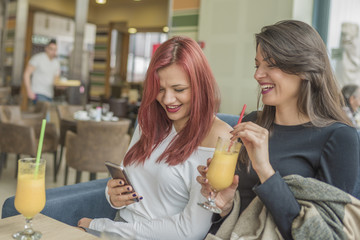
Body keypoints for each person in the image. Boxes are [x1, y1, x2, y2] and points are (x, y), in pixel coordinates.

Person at [197, 20, 360, 240]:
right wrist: (223, 207)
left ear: (304, 69)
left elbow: (326, 234)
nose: (257, 75)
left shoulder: (339, 137)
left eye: (271, 64)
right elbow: (235, 217)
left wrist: (265, 169)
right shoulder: (253, 122)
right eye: (257, 65)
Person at [77, 36, 233, 239]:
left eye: (179, 90)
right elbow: (131, 177)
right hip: (118, 228)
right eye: (159, 89)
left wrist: (101, 227)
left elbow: (190, 231)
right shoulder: (150, 120)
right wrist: (113, 195)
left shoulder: (218, 136)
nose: (167, 100)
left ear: (200, 86)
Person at [23, 39, 60, 103]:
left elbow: (56, 80)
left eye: (55, 50)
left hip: (50, 94)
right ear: (46, 48)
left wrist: (61, 85)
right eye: (51, 49)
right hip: (38, 93)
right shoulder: (37, 58)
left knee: (47, 112)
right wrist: (29, 91)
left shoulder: (56, 63)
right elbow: (27, 74)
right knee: (45, 113)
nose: (53, 52)